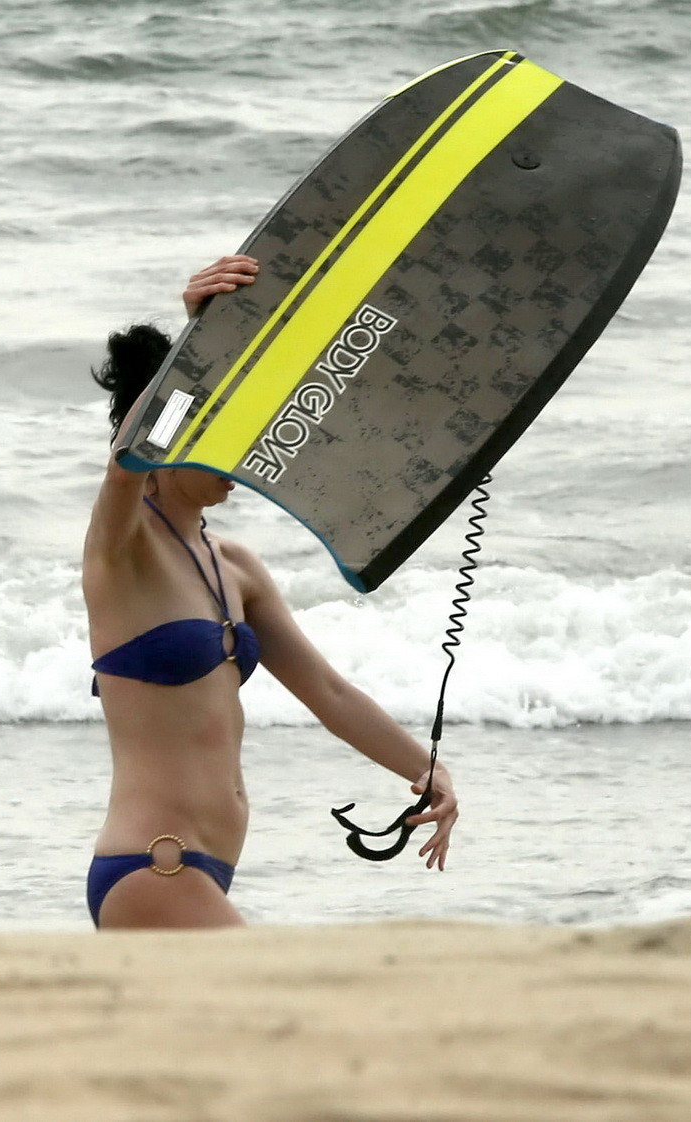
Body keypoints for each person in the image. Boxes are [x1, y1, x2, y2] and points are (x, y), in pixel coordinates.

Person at [83, 255, 459, 929]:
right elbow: (121, 470)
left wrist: (427, 769)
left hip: (207, 869)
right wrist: (200, 343)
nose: (241, 456)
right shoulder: (123, 556)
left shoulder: (237, 566)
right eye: (222, 438)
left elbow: (331, 694)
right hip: (153, 868)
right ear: (175, 440)